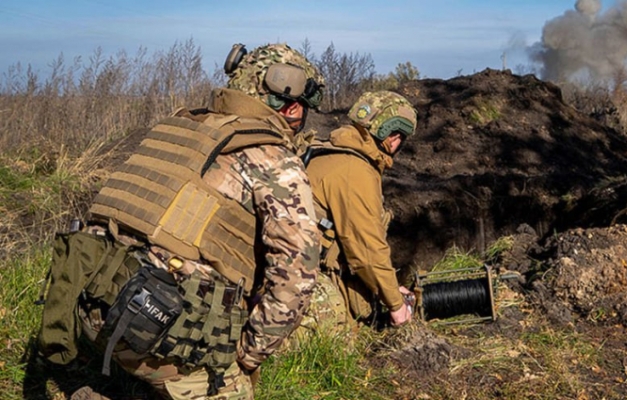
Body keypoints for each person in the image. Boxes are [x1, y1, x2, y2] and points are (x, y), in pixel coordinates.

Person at [37, 43, 325, 400]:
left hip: (88, 306)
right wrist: (249, 355)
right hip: (148, 326)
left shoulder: (178, 125)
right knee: (232, 387)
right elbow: (298, 275)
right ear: (293, 106)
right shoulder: (274, 158)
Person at [302, 90, 418, 329]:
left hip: (284, 265)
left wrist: (390, 288)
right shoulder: (355, 172)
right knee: (342, 332)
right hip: (301, 278)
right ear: (392, 136)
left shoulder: (325, 147)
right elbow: (367, 251)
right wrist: (397, 306)